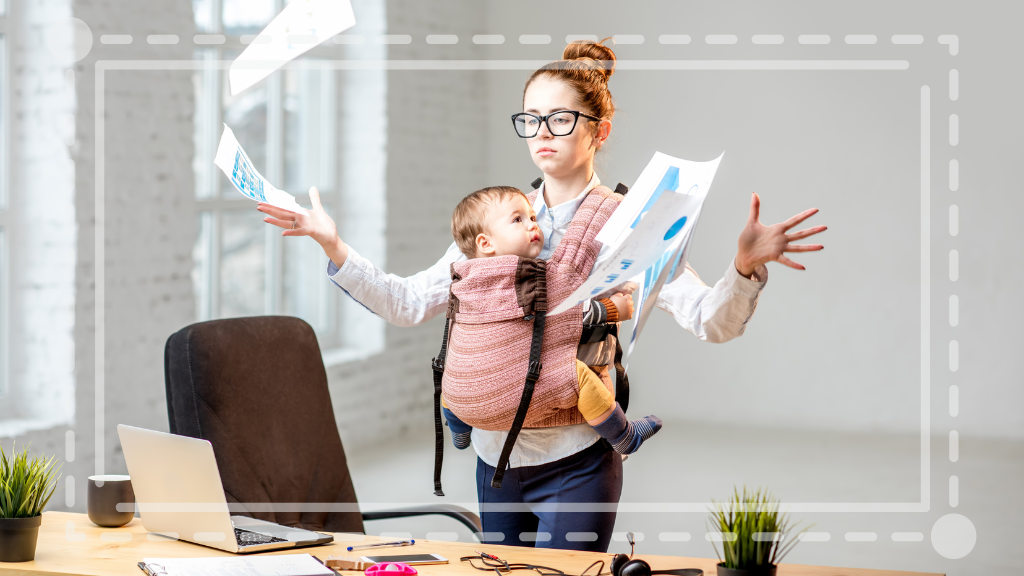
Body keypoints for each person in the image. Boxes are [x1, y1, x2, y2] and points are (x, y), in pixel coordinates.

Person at [257, 39, 826, 553]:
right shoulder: (497, 221)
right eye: (531, 120)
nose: (542, 133)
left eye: (559, 118)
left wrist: (744, 267)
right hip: (495, 460)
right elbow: (407, 303)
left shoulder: (631, 224)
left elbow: (712, 321)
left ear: (598, 131)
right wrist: (333, 246)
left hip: (577, 460)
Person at [441, 185, 662, 455]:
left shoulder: (462, 280)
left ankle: (459, 431)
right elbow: (563, 314)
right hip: (510, 401)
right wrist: (612, 309)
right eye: (517, 220)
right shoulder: (524, 275)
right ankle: (623, 435)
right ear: (485, 243)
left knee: (454, 371)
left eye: (533, 217)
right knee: (580, 376)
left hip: (463, 403)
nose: (532, 225)